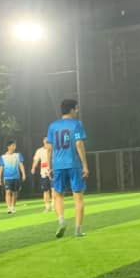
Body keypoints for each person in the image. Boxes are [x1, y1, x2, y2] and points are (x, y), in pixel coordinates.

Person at [46, 98, 89, 238]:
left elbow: (49, 149)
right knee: (78, 197)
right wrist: (85, 165)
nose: (77, 111)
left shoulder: (52, 126)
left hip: (58, 166)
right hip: (73, 164)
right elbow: (79, 144)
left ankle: (61, 220)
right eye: (76, 108)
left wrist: (49, 166)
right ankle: (78, 230)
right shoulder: (77, 124)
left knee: (58, 195)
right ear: (71, 109)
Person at [0, 140, 26, 214]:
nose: (14, 147)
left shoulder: (18, 155)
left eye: (15, 146)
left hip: (16, 177)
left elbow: (21, 165)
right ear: (8, 147)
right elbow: (1, 167)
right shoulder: (3, 157)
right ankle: (9, 208)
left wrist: (23, 174)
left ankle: (13, 207)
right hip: (7, 177)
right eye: (12, 145)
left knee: (15, 193)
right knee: (8, 192)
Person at [32, 136, 54, 213]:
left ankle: (54, 205)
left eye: (48, 142)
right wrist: (33, 168)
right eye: (46, 142)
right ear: (43, 142)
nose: (47, 143)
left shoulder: (53, 149)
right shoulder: (39, 151)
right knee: (45, 190)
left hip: (53, 171)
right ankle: (47, 206)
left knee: (54, 189)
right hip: (44, 173)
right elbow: (36, 160)